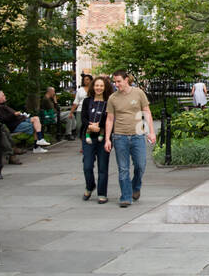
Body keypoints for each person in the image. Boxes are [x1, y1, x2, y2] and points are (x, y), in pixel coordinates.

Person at [104, 69, 156, 208]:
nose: (116, 84)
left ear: (126, 80)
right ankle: (126, 196)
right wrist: (107, 139)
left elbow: (146, 112)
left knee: (140, 165)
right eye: (114, 82)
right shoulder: (113, 98)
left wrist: (151, 132)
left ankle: (136, 186)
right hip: (120, 136)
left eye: (119, 81)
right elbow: (109, 119)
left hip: (137, 134)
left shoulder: (138, 93)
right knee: (123, 168)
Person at [81, 75, 112, 203]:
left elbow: (110, 119)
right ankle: (90, 186)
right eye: (97, 85)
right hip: (88, 136)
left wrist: (100, 128)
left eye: (101, 86)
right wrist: (90, 126)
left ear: (105, 88)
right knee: (87, 166)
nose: (99, 88)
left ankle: (102, 193)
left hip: (103, 137)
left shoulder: (109, 102)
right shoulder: (87, 101)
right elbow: (83, 117)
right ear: (93, 87)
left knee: (103, 167)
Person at [67, 75, 93, 140]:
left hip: (91, 110)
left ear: (91, 80)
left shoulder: (94, 89)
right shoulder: (80, 90)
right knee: (79, 126)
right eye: (84, 80)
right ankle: (82, 143)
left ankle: (88, 141)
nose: (85, 81)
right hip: (80, 110)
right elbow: (76, 102)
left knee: (89, 127)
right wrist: (71, 112)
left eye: (87, 79)